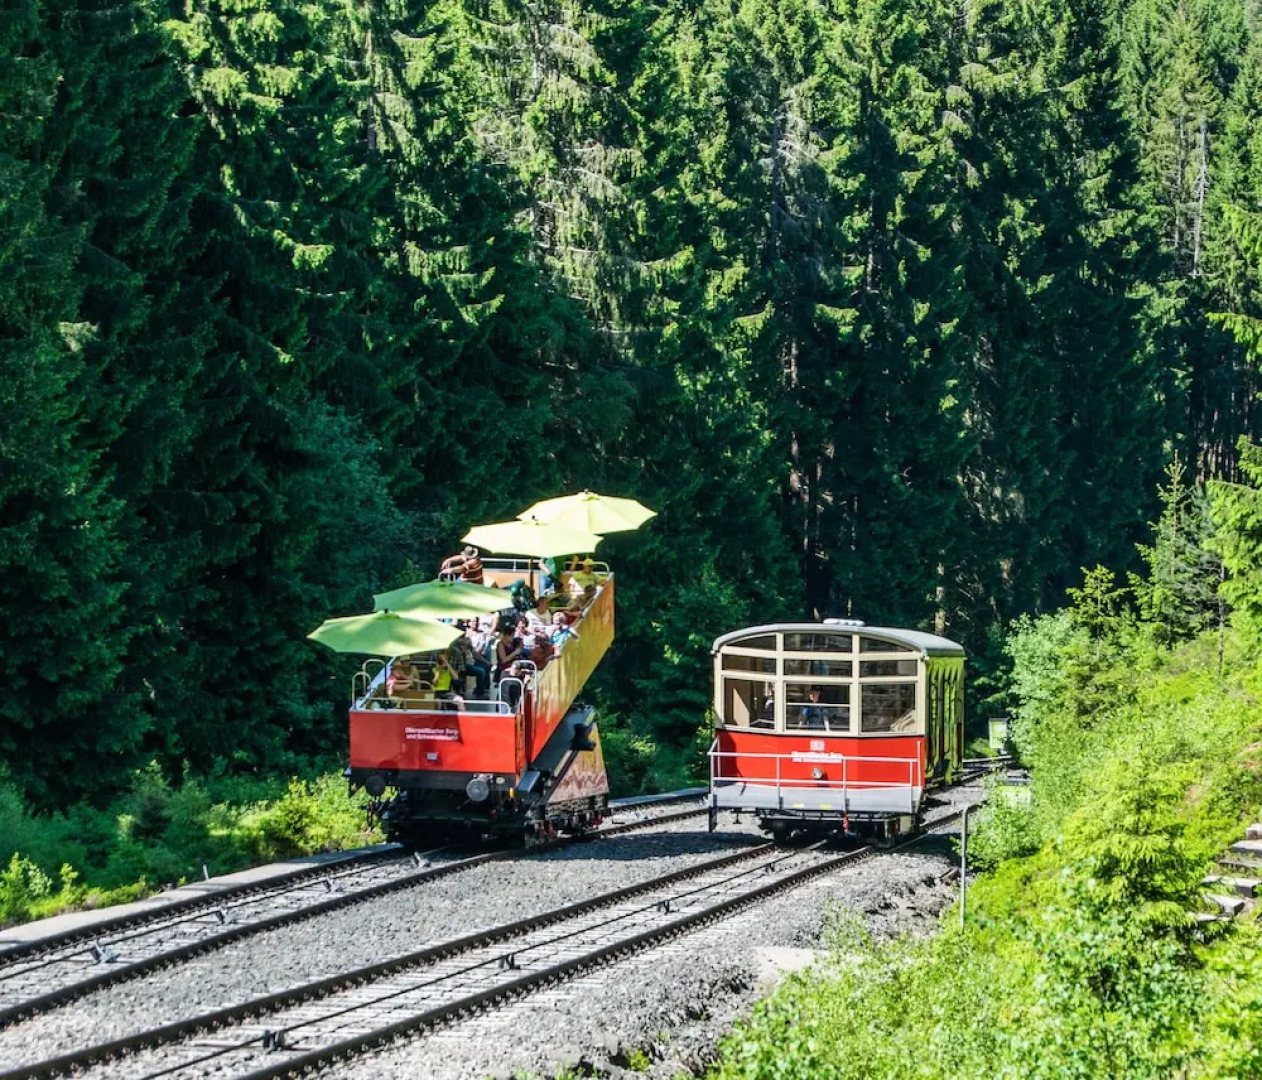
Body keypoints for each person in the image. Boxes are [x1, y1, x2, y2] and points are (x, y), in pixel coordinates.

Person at [450, 622, 490, 697]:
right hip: (464, 664)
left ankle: (483, 688)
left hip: (472, 661)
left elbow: (473, 652)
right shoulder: (455, 642)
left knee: (486, 666)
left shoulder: (467, 639)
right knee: (481, 672)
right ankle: (480, 693)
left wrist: (485, 661)